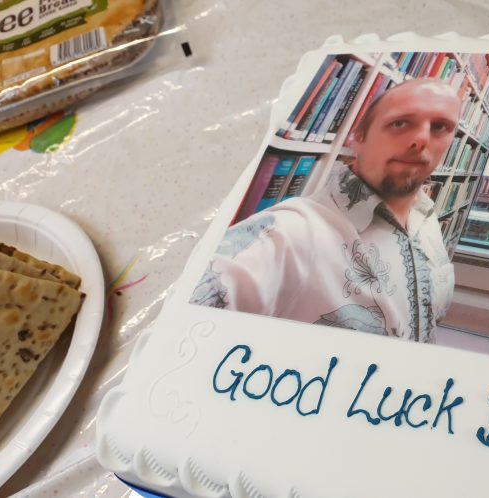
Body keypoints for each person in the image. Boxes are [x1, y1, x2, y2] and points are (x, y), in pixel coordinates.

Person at [190, 77, 462, 343]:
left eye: (440, 127)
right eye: (400, 123)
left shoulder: (427, 217)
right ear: (359, 137)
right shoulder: (292, 233)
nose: (421, 139)